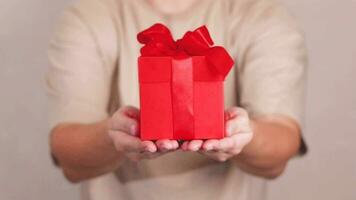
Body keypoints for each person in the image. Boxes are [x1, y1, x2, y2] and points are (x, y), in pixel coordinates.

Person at [47, 0, 307, 199]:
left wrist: (243, 134)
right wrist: (112, 135)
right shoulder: (91, 14)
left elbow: (279, 149)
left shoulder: (261, 15)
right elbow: (69, 157)